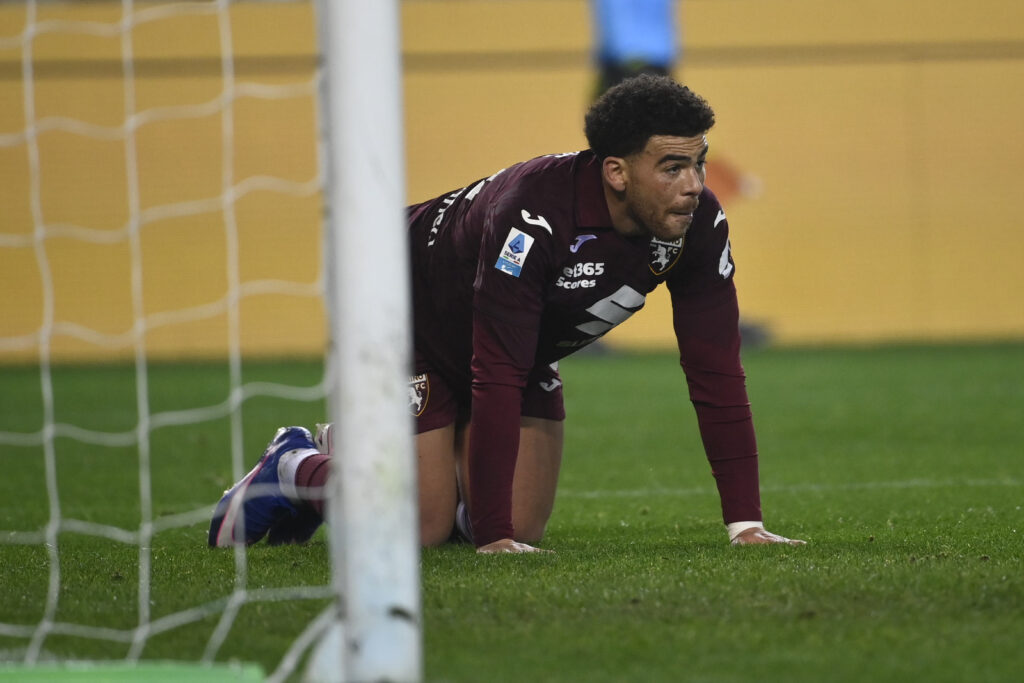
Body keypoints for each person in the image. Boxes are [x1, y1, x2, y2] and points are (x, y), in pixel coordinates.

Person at [208, 75, 805, 554]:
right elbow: (494, 372)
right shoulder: (535, 216)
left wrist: (745, 524)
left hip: (510, 343)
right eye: (673, 166)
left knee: (522, 526)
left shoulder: (697, 224)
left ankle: (395, 454)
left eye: (699, 163)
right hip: (400, 308)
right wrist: (492, 539)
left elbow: (716, 370)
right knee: (425, 527)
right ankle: (294, 464)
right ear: (617, 172)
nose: (695, 184)